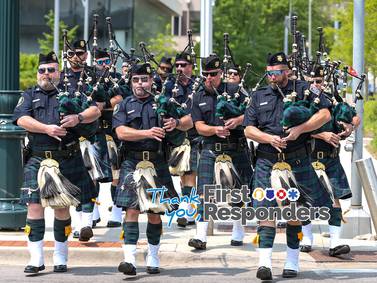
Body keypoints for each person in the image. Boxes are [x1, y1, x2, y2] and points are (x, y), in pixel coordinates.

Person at [243, 52, 333, 280]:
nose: (272, 77)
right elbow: (248, 129)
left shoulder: (305, 90)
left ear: (287, 71)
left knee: (295, 211)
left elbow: (324, 113)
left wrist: (300, 130)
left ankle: (292, 261)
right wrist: (268, 138)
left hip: (297, 157)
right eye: (269, 72)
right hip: (266, 157)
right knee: (265, 208)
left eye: (277, 72)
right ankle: (264, 264)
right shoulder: (259, 95)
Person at [13, 51, 100, 274]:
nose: (46, 74)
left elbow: (95, 111)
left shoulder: (72, 93)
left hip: (66, 157)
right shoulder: (30, 94)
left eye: (51, 70)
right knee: (34, 207)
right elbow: (21, 118)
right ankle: (36, 259)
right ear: (37, 73)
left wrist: (77, 118)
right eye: (42, 70)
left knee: (62, 209)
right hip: (38, 158)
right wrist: (46, 129)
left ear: (59, 73)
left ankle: (61, 255)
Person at [112, 63, 178, 276]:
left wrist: (175, 123)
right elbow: (121, 132)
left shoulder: (163, 103)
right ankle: (129, 259)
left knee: (154, 213)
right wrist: (148, 133)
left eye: (144, 80)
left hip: (157, 162)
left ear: (151, 81)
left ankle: (153, 256)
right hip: (132, 161)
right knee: (131, 210)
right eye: (135, 80)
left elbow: (188, 121)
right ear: (131, 82)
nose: (140, 84)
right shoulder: (123, 105)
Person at [189, 54, 252, 249]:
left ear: (221, 73)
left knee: (238, 194)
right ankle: (200, 236)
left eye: (213, 74)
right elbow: (198, 126)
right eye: (205, 74)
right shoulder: (198, 96)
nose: (209, 78)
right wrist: (215, 130)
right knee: (204, 194)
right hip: (210, 150)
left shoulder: (236, 90)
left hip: (236, 147)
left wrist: (238, 121)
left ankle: (238, 232)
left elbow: (252, 112)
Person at [300, 65, 360, 256]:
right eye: (312, 82)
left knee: (334, 199)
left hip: (330, 158)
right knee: (305, 200)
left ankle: (335, 243)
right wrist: (321, 135)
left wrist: (349, 126)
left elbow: (354, 116)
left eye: (319, 81)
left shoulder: (331, 101)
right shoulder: (300, 103)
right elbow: (294, 129)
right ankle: (307, 238)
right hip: (308, 157)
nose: (316, 85)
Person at [166, 51, 199, 228]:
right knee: (182, 175)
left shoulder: (198, 85)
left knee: (189, 174)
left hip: (194, 136)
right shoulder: (170, 86)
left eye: (183, 65)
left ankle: (187, 210)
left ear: (191, 67)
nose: (179, 68)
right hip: (177, 136)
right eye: (177, 65)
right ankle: (190, 210)